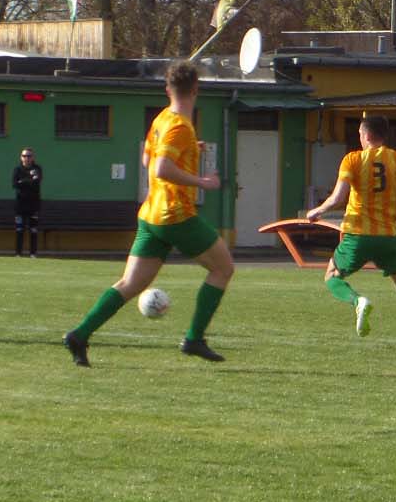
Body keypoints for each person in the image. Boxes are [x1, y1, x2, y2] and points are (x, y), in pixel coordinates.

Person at [63, 60, 234, 366]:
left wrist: (189, 150)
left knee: (130, 284)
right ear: (196, 89)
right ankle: (194, 339)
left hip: (151, 215)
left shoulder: (162, 119)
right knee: (223, 269)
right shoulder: (180, 126)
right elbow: (160, 168)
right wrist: (202, 182)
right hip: (175, 215)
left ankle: (80, 334)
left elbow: (147, 160)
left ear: (168, 89)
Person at [307, 113, 396, 346]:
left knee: (331, 275)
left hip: (358, 234)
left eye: (359, 133)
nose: (359, 137)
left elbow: (338, 197)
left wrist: (317, 211)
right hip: (387, 237)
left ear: (366, 135)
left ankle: (358, 301)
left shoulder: (352, 159)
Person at [12, 147, 44, 257]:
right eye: (24, 156)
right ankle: (18, 254)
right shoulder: (17, 170)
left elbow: (37, 182)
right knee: (19, 230)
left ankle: (33, 254)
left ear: (33, 157)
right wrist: (29, 181)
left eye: (29, 156)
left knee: (33, 230)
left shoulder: (37, 169)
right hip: (20, 205)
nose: (26, 158)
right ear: (21, 157)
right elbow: (15, 185)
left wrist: (23, 181)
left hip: (33, 205)